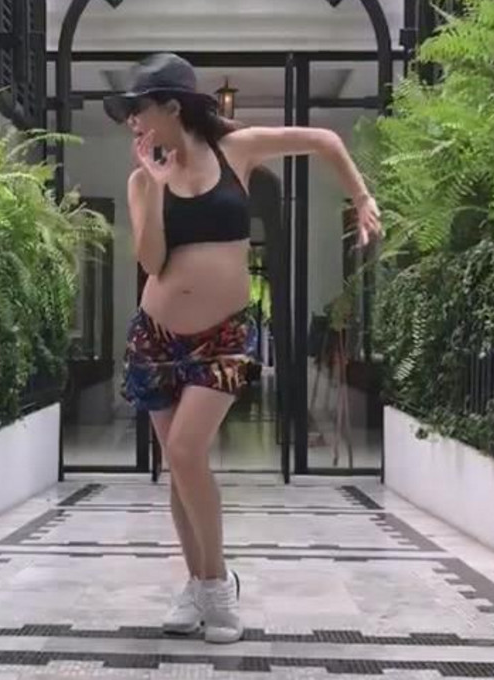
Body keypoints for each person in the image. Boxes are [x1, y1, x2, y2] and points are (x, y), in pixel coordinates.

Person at [103, 53, 381, 645]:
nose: (132, 122)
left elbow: (326, 140)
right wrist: (155, 187)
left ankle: (217, 586)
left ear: (172, 106)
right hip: (155, 337)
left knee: (186, 450)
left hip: (223, 336)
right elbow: (152, 262)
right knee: (179, 467)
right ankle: (200, 584)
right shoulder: (140, 180)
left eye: (139, 109)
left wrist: (360, 198)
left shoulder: (238, 149)